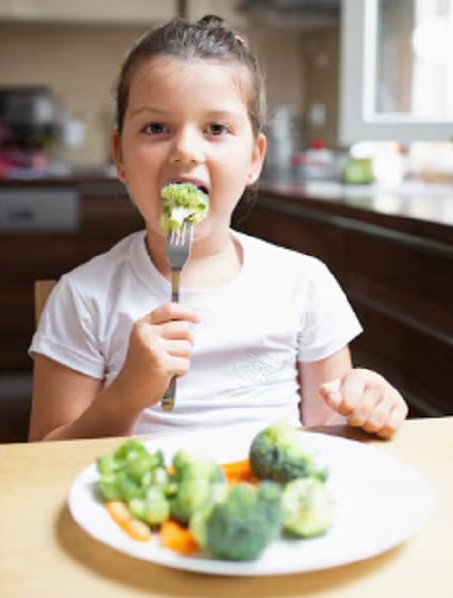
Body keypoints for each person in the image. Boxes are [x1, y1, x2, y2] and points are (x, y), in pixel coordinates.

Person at [28, 15, 408, 441]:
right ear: (119, 155)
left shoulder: (305, 284)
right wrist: (126, 394)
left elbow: (330, 437)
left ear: (254, 158)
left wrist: (364, 406)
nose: (186, 150)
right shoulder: (84, 298)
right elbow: (45, 457)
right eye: (156, 128)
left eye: (216, 129)